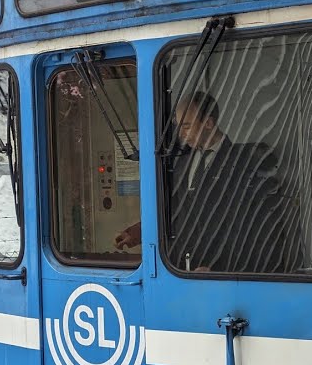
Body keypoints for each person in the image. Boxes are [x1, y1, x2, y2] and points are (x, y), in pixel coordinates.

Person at [114, 92, 290, 273]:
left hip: (221, 277)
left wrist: (219, 269)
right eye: (179, 126)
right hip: (181, 272)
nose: (181, 134)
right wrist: (137, 232)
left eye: (187, 126)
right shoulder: (181, 163)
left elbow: (253, 229)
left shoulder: (244, 164)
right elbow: (174, 210)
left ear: (208, 123)